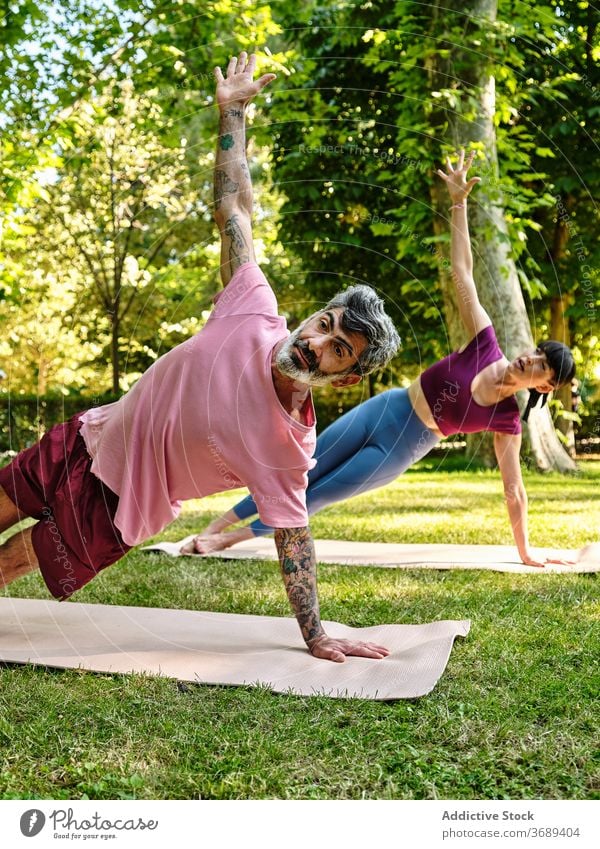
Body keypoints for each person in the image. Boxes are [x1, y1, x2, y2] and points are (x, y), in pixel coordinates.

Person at [0, 52, 400, 663]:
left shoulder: (287, 450)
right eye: (325, 325)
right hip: (88, 436)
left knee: (13, 560)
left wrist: (316, 633)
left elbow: (294, 541)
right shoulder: (253, 306)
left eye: (337, 350)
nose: (317, 343)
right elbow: (233, 210)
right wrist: (233, 112)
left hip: (118, 509)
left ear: (342, 380)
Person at [188, 150, 576, 569]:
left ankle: (227, 542)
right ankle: (215, 525)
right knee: (298, 466)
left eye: (542, 366)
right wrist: (459, 203)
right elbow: (462, 274)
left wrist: (526, 551)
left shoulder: (506, 421)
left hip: (404, 446)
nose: (530, 360)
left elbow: (512, 489)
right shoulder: (485, 343)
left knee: (316, 493)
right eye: (537, 351)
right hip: (386, 407)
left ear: (544, 386)